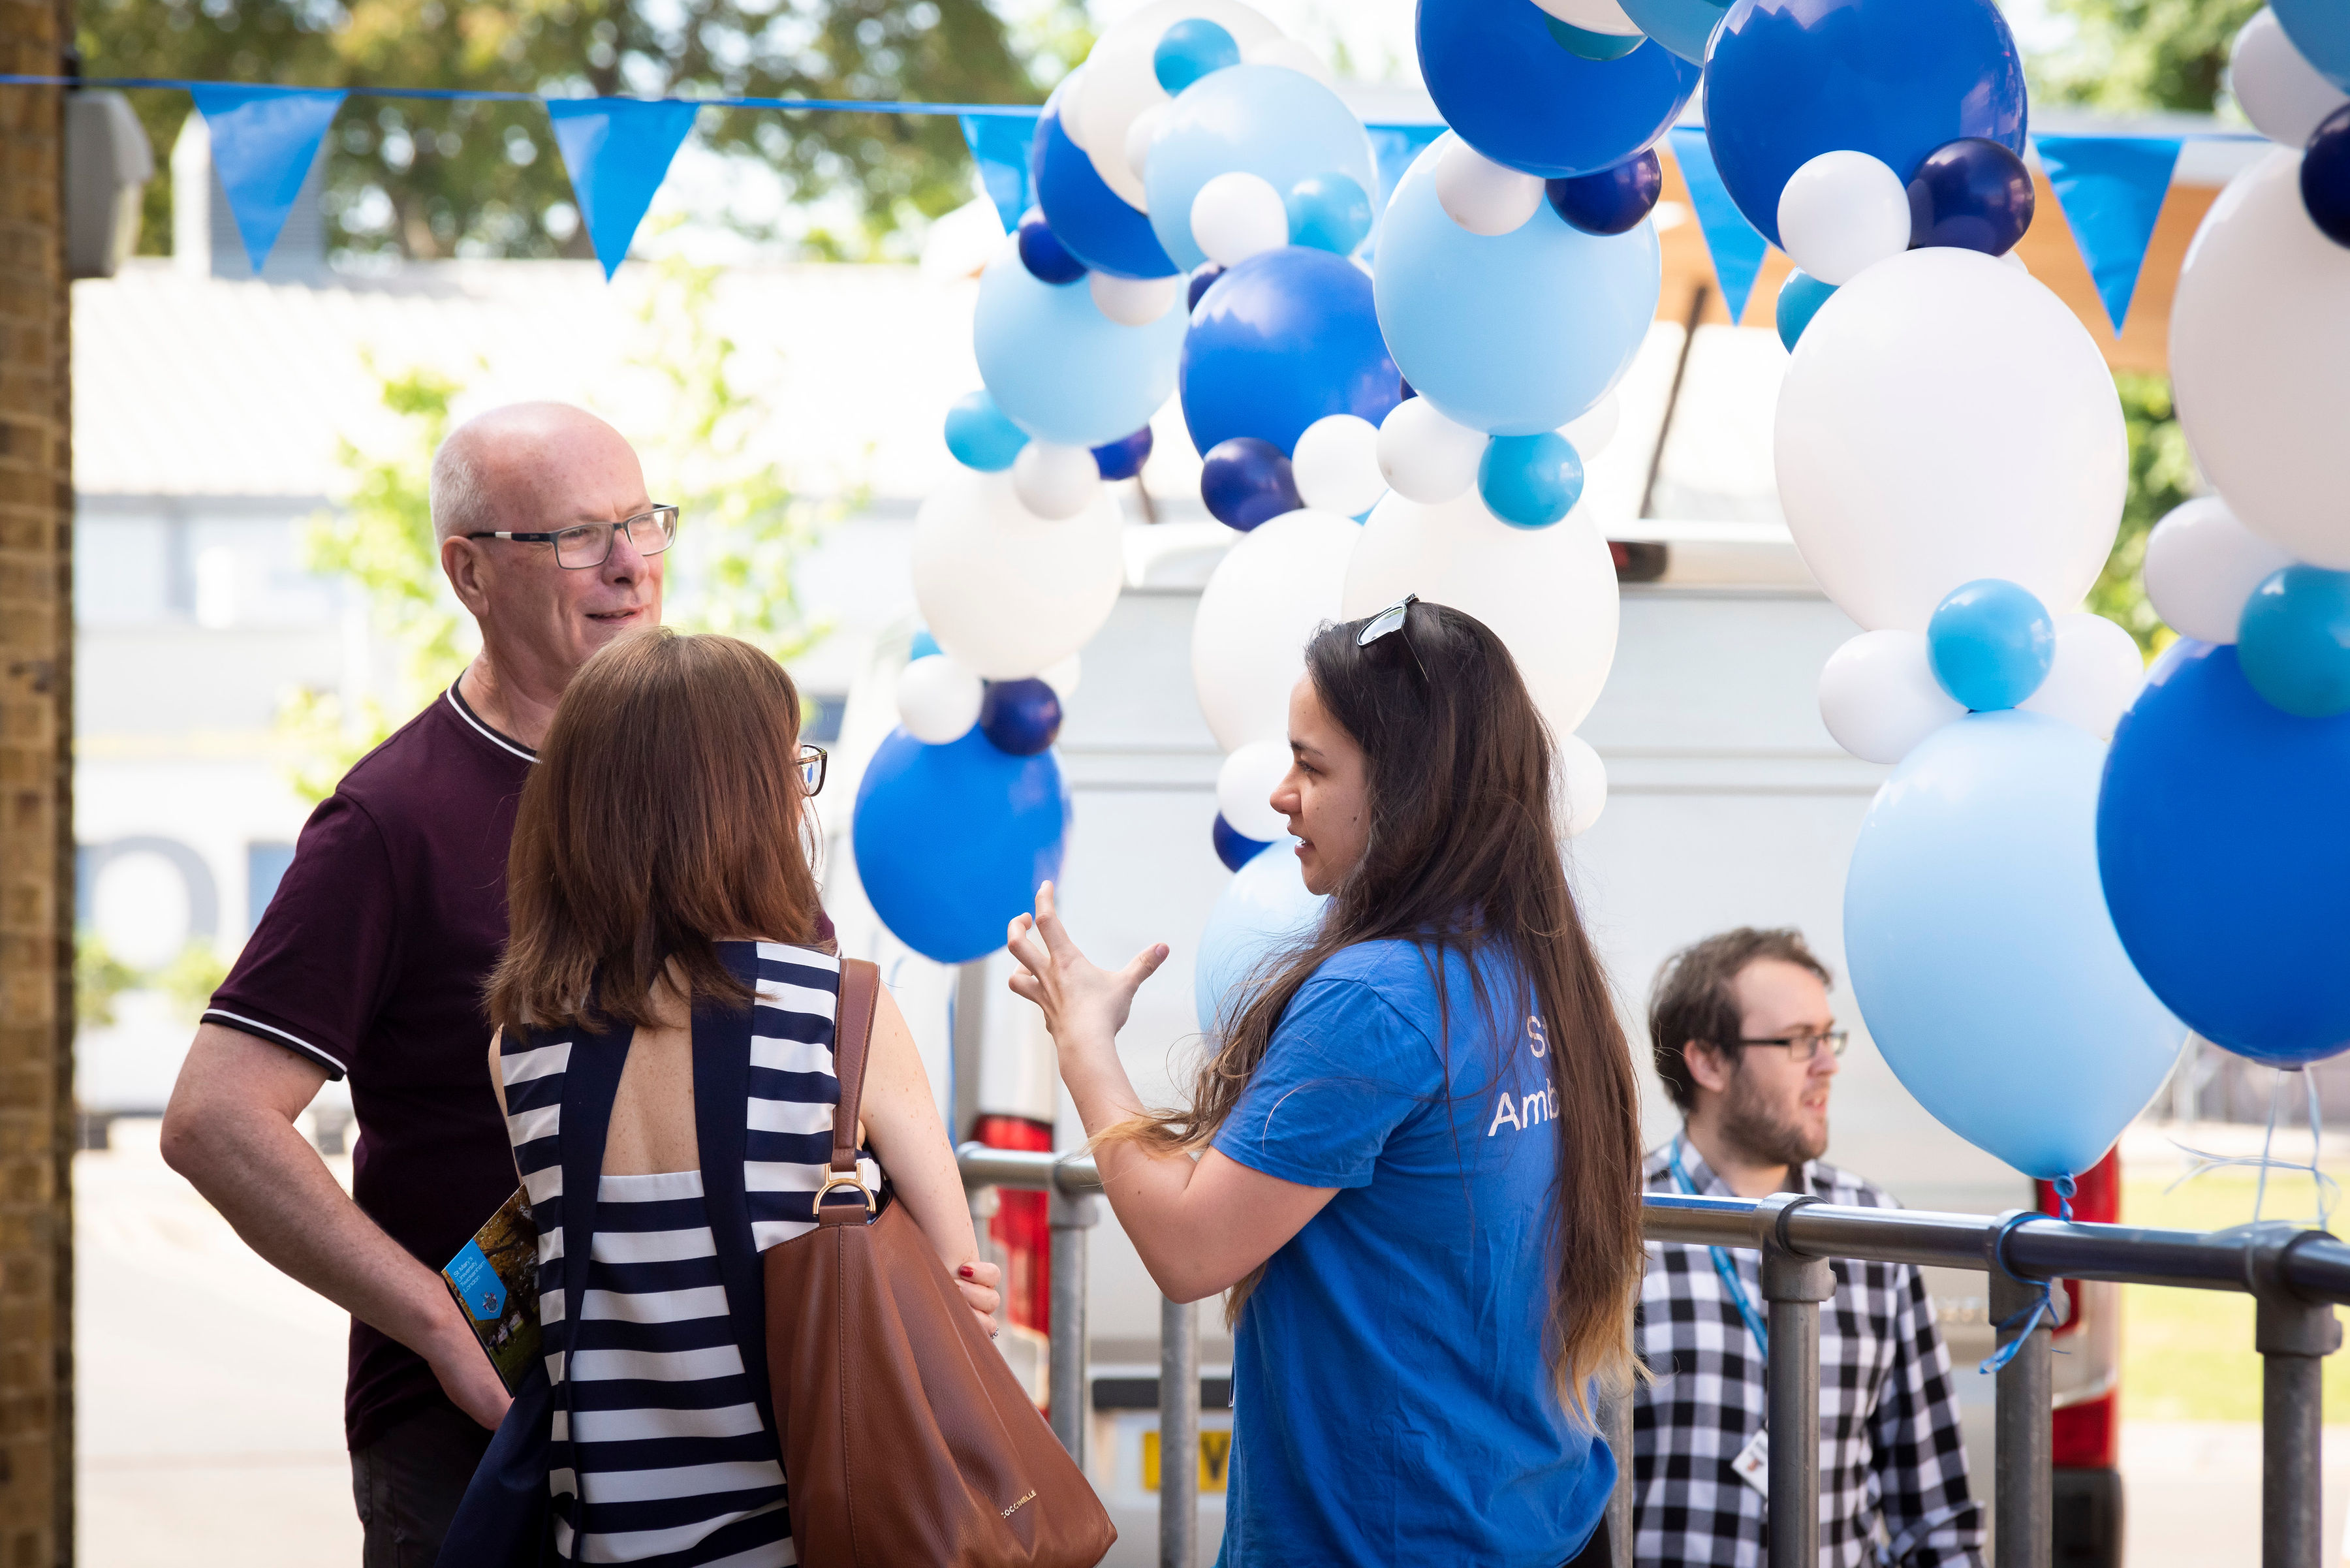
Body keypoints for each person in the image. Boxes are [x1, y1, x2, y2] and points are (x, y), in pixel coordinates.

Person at [1003, 597, 1644, 1568]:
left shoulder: (1382, 994)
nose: (1280, 794)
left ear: (1412, 788)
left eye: (1312, 764)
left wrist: (1086, 1040)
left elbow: (1189, 1246)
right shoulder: (1533, 962)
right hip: (1540, 1523)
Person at [159, 402, 680, 1565]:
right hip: (477, 1434)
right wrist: (435, 1324)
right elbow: (214, 1119)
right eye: (580, 535)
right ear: (470, 571)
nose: (630, 564)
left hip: (697, 1408)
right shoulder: (391, 817)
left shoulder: (700, 779)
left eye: (645, 522)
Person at [473, 627, 999, 1565]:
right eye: (788, 771)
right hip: (806, 1535)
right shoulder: (840, 1012)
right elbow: (962, 1299)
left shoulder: (523, 1047)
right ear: (739, 804)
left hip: (604, 1539)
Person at [1631, 928, 1983, 1568]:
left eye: (1828, 1037)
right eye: (1798, 1041)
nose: (1828, 1063)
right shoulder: (1623, 1228)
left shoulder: (1872, 1229)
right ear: (1707, 1061)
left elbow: (1933, 1515)